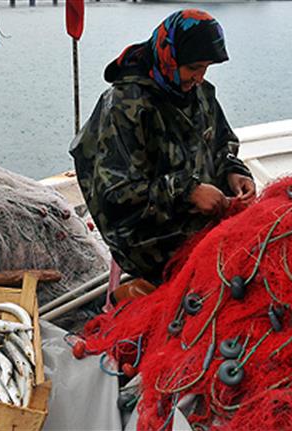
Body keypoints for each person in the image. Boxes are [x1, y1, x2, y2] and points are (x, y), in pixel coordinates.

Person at [69, 9, 256, 286]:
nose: (199, 78)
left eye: (205, 68)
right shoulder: (125, 105)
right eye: (193, 68)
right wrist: (188, 192)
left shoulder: (200, 94)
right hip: (148, 240)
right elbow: (116, 195)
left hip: (198, 223)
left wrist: (234, 171)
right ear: (170, 57)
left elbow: (222, 143)